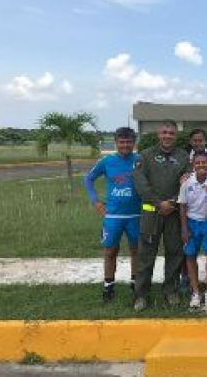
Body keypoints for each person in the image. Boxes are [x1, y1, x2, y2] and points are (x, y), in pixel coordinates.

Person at [132, 120, 191, 311]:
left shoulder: (183, 156)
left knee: (174, 253)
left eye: (171, 133)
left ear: (176, 136)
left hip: (174, 214)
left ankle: (170, 290)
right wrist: (159, 203)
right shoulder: (146, 156)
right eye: (164, 132)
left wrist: (172, 203)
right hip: (151, 214)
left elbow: (187, 184)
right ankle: (141, 295)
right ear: (159, 134)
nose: (167, 136)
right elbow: (141, 184)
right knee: (146, 255)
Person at [84, 127, 141, 302]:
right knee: (110, 251)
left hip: (136, 214)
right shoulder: (107, 161)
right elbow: (88, 179)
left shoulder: (140, 160)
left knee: (136, 251)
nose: (125, 145)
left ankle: (135, 284)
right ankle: (108, 286)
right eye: (121, 142)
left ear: (134, 142)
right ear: (116, 143)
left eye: (129, 142)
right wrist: (96, 201)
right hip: (113, 216)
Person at [178, 151, 207, 308]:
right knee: (190, 257)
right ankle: (195, 291)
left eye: (204, 162)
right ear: (193, 165)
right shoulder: (187, 184)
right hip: (191, 222)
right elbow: (182, 206)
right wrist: (184, 229)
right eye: (197, 163)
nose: (201, 165)